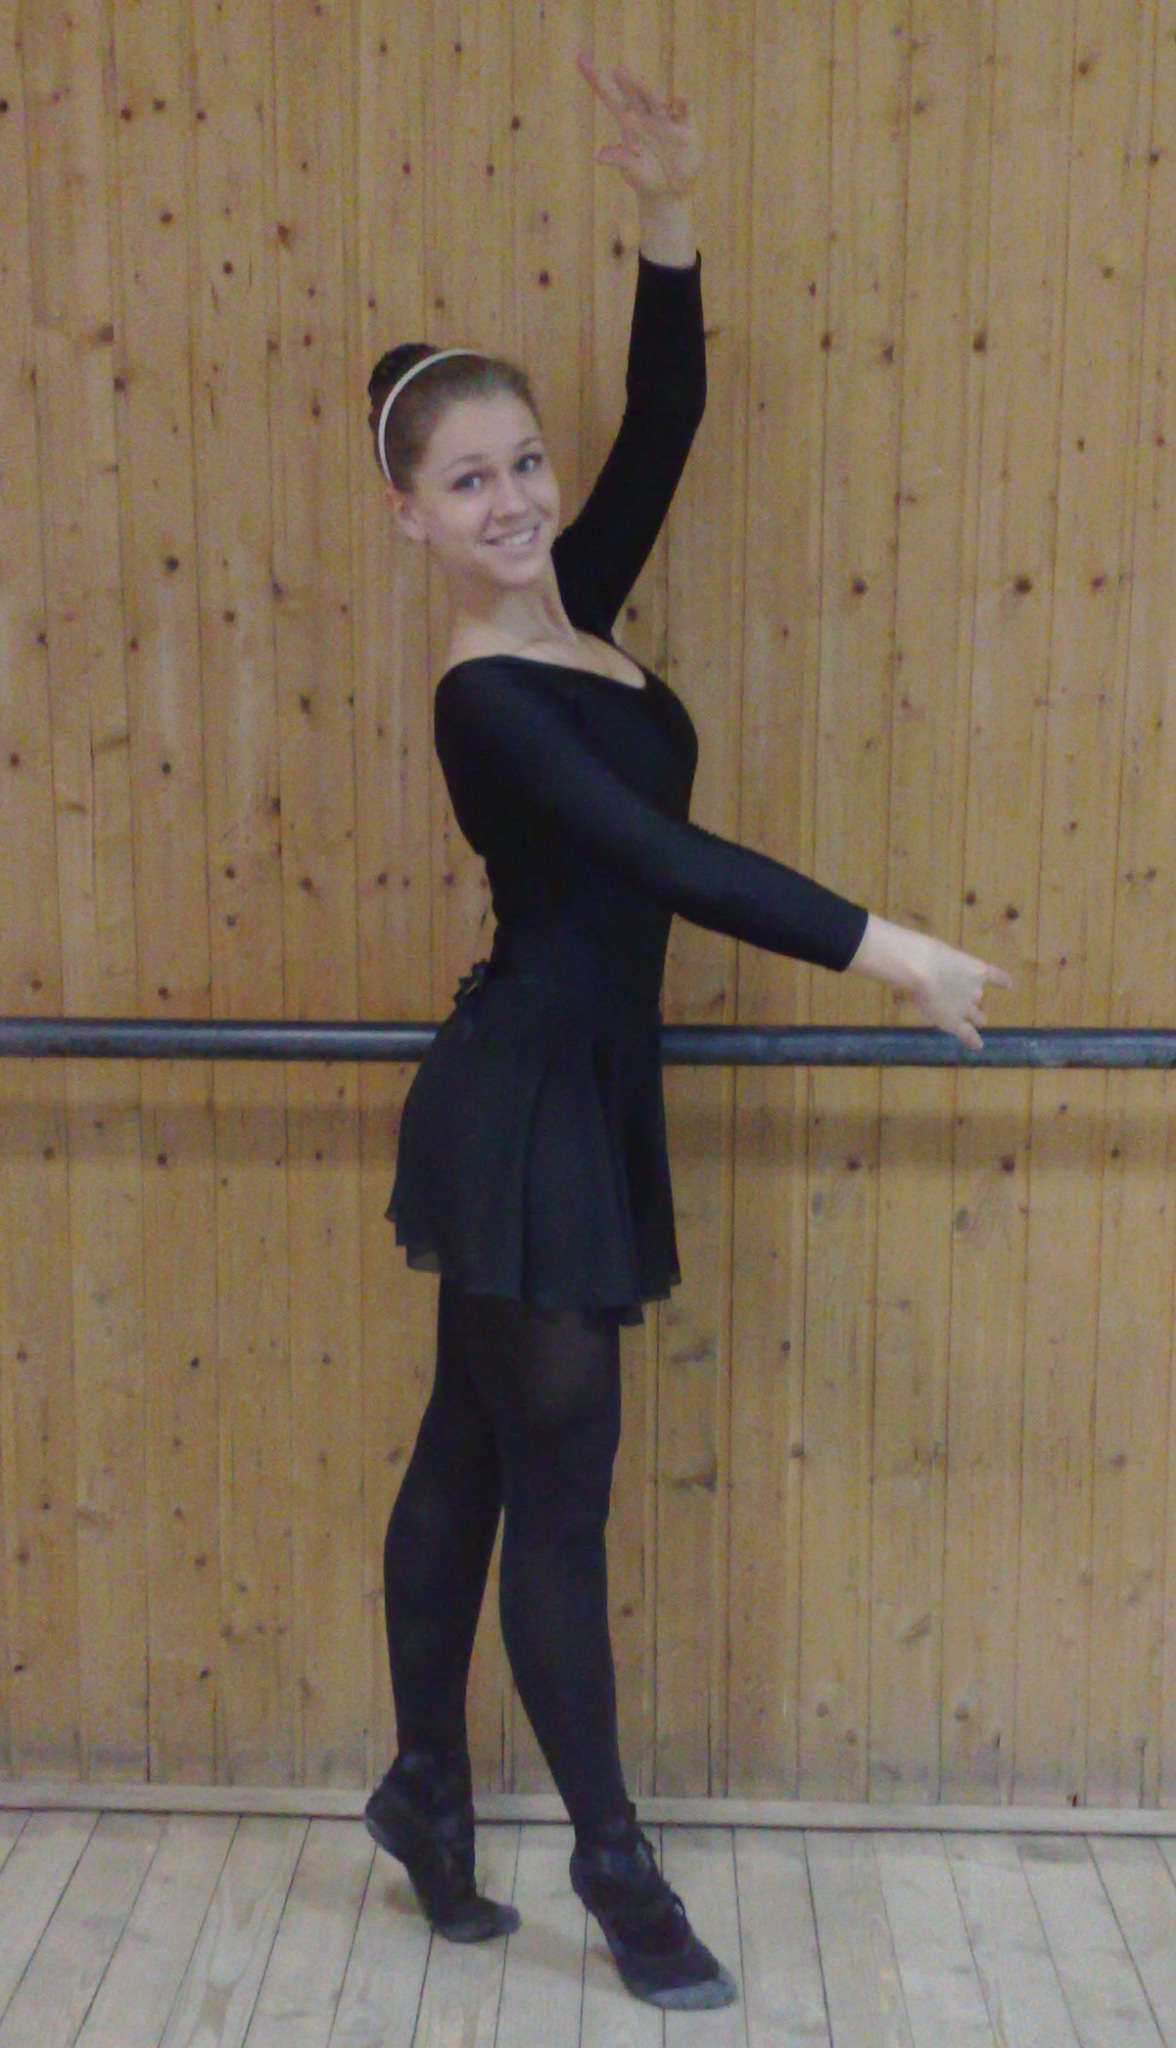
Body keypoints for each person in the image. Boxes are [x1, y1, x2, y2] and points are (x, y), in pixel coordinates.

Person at [361, 53, 1011, 2012]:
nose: (511, 499)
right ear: (409, 518)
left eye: (521, 464)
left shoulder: (574, 609)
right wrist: (892, 948)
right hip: (524, 1112)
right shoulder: (487, 697)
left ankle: (421, 1793)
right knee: (553, 1508)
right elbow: (664, 858)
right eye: (466, 482)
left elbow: (671, 411)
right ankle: (618, 1874)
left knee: (470, 1461)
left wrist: (668, 208)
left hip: (571, 1096)